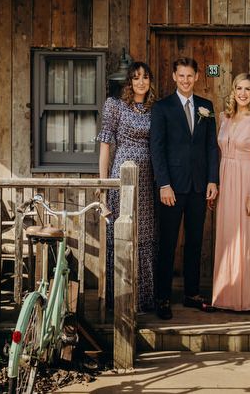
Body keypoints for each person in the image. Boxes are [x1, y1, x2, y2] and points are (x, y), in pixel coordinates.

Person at [150, 57, 219, 320]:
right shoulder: (162, 107)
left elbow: (211, 146)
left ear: (197, 76)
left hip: (199, 187)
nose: (186, 80)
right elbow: (157, 149)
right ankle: (163, 297)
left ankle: (192, 294)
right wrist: (164, 184)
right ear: (174, 77)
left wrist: (213, 180)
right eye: (181, 76)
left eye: (190, 76)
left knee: (194, 242)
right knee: (167, 244)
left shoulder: (206, 106)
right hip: (172, 188)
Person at [98, 61, 157, 312]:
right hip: (122, 174)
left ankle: (144, 299)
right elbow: (105, 145)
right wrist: (104, 185)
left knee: (144, 234)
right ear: (129, 82)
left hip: (148, 178)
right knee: (121, 231)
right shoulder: (115, 106)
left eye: (145, 77)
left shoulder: (157, 109)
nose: (141, 82)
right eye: (136, 78)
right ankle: (118, 298)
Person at [211, 73, 250, 311]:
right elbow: (218, 154)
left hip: (247, 181)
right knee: (227, 236)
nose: (243, 93)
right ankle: (226, 296)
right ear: (233, 91)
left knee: (246, 237)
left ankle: (249, 298)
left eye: (247, 89)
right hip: (227, 179)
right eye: (239, 88)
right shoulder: (225, 118)